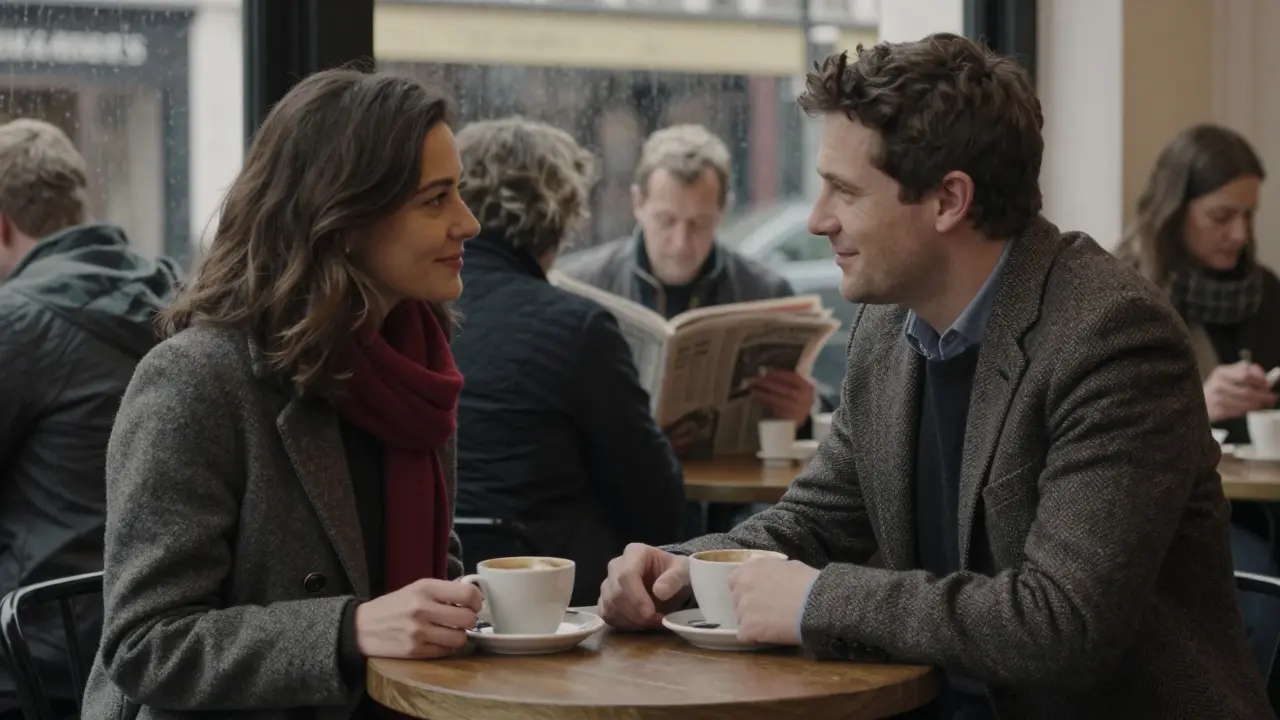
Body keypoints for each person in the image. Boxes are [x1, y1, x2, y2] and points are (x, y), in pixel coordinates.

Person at [598, 34, 1272, 719]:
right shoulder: (890, 328)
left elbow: (1062, 627)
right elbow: (817, 521)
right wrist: (686, 566)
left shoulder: (1113, 337)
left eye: (845, 190)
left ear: (949, 200)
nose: (816, 219)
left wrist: (812, 598)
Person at [81, 69, 485, 719]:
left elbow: (423, 571)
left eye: (459, 193)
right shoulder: (195, 380)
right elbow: (142, 645)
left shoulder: (416, 370)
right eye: (435, 199)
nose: (468, 222)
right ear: (343, 219)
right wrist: (346, 630)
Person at [451, 116, 685, 605]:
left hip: (428, 590)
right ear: (560, 217)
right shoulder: (576, 328)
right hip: (554, 603)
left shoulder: (409, 314)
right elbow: (659, 509)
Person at [0, 119, 180, 718]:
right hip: (161, 638)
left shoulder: (17, 320)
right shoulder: (178, 298)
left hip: (36, 655)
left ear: (2, 227)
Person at [1116, 123, 1280, 672]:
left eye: (1249, 216)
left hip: (1263, 503)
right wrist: (1199, 403)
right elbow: (1104, 424)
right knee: (1259, 601)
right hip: (1181, 509)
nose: (1238, 233)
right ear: (1174, 208)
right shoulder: (1125, 291)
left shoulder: (1265, 293)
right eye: (1221, 216)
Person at [558, 124, 816, 426]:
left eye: (699, 223)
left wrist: (802, 415)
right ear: (638, 203)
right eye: (667, 220)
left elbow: (813, 400)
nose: (681, 244)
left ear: (723, 211)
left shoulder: (768, 291)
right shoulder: (579, 287)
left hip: (731, 472)